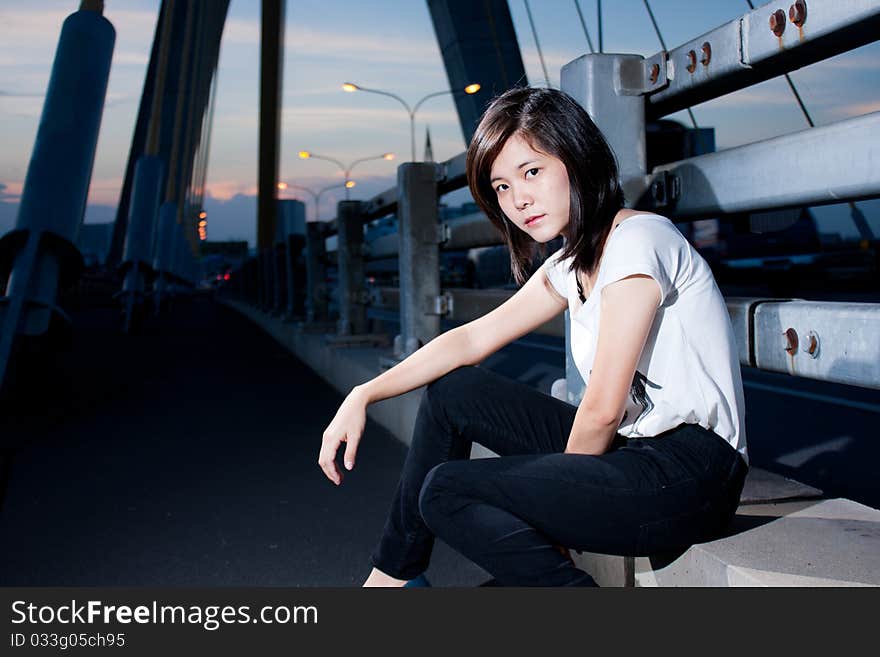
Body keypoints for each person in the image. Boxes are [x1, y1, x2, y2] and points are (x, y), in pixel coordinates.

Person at [318, 86, 748, 587]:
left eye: (532, 172)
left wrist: (557, 507)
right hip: (634, 452)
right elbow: (470, 340)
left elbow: (603, 409)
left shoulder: (637, 241)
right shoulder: (571, 263)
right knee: (454, 393)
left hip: (692, 477)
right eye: (501, 187)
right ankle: (393, 579)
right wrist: (363, 394)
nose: (518, 200)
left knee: (446, 490)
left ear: (576, 158)